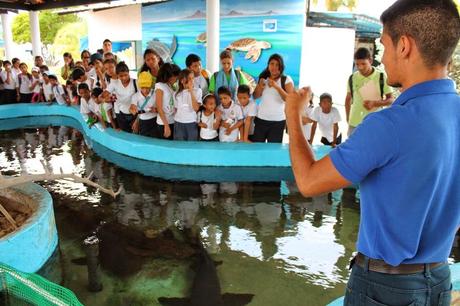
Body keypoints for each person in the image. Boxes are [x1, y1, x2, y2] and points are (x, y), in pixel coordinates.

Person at [285, 1, 460, 305]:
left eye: (383, 45)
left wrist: (292, 116)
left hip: (385, 287)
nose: (382, 57)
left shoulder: (389, 124)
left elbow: (309, 182)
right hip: (439, 279)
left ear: (404, 45)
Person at [345, 47, 394, 136]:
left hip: (374, 123)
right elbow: (348, 99)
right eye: (357, 64)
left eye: (363, 64)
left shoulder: (381, 77)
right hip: (354, 124)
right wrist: (348, 118)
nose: (360, 67)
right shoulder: (352, 78)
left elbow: (391, 99)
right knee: (352, 149)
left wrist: (375, 103)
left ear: (371, 61)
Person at [252, 54, 295, 143]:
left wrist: (277, 87)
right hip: (261, 120)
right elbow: (255, 96)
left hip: (278, 122)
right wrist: (260, 86)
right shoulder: (263, 77)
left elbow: (290, 100)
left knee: (273, 151)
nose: (274, 67)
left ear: (281, 66)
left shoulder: (286, 79)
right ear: (268, 65)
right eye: (272, 64)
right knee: (257, 148)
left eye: (277, 65)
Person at [106, 61, 138, 133]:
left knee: (136, 133)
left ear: (129, 73)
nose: (124, 78)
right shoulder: (114, 84)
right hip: (121, 114)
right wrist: (106, 98)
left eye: (126, 75)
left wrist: (137, 120)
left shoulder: (135, 82)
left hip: (134, 114)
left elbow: (141, 99)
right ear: (117, 75)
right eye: (121, 76)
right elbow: (104, 95)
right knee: (125, 134)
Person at [174, 68, 202, 141]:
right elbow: (176, 109)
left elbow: (196, 108)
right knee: (179, 146)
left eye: (193, 78)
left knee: (191, 146)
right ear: (182, 80)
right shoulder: (176, 93)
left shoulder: (198, 91)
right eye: (189, 78)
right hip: (178, 123)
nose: (192, 81)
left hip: (191, 122)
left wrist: (191, 91)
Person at [155, 63, 181, 140]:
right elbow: (159, 108)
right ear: (170, 76)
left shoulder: (171, 86)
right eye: (176, 76)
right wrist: (166, 126)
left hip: (172, 120)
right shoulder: (160, 86)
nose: (177, 79)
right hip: (164, 123)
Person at [129, 71, 157, 137]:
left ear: (150, 85)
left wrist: (156, 110)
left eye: (147, 88)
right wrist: (132, 110)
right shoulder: (135, 96)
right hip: (143, 122)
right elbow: (132, 107)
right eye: (142, 88)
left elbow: (162, 108)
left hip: (155, 121)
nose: (145, 90)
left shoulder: (155, 93)